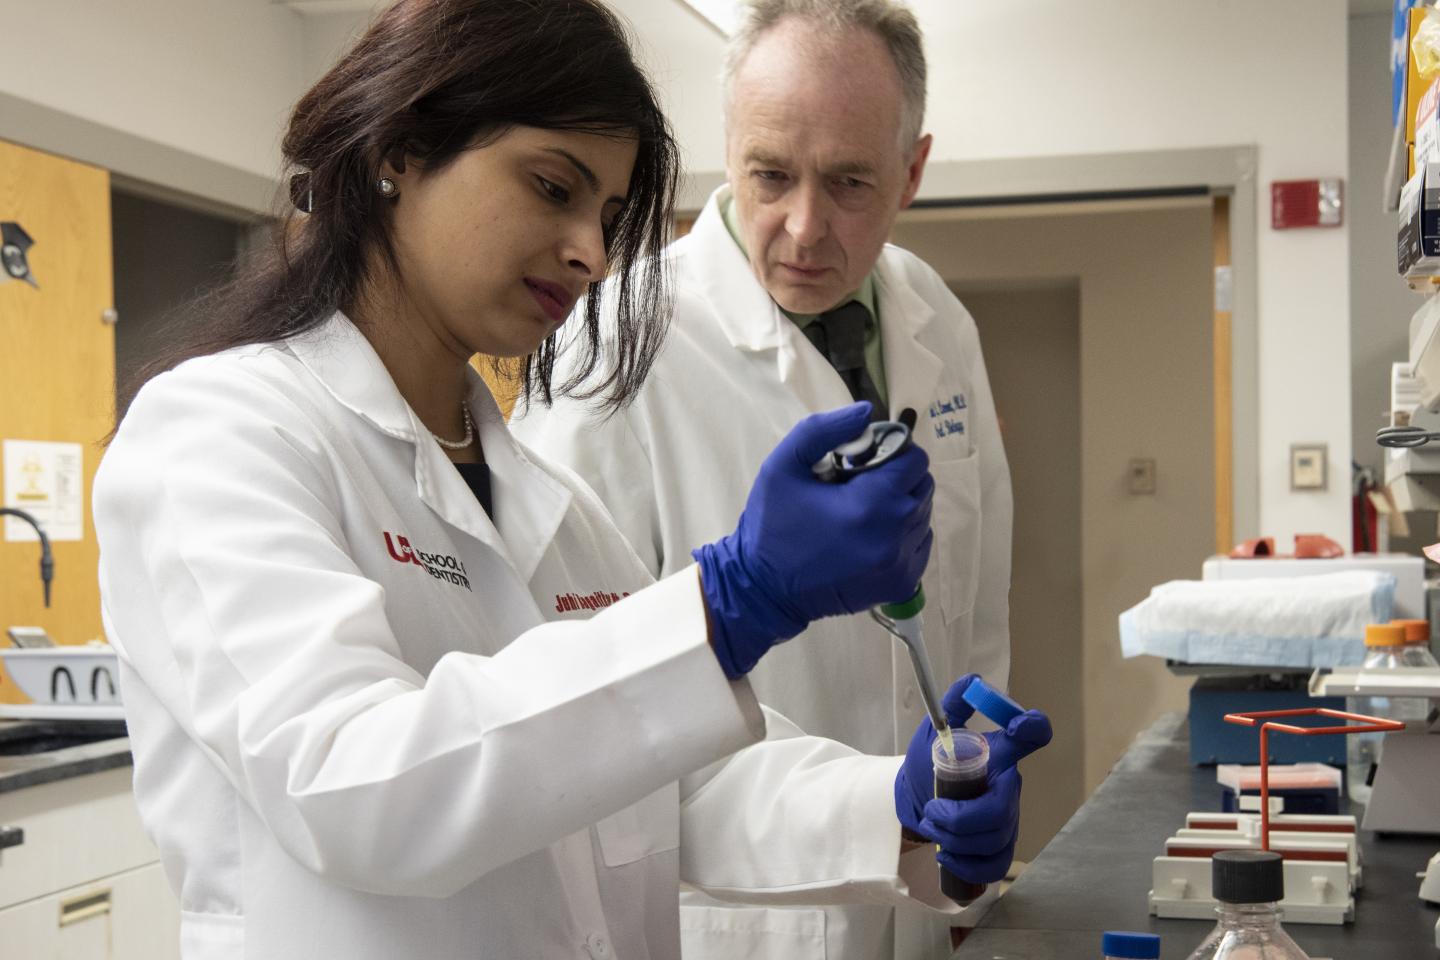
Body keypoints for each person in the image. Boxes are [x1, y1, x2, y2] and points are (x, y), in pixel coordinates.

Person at [92, 2, 1049, 959]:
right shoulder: (217, 435)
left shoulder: (545, 501)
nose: (593, 252)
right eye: (554, 188)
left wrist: (892, 805)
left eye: (608, 215)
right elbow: (351, 785)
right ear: (402, 149)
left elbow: (668, 776)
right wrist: (728, 603)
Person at [510, 0, 1014, 956]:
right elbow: (572, 700)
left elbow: (976, 608)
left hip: (927, 909)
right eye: (769, 176)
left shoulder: (936, 320)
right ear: (729, 150)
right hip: (739, 921)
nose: (803, 227)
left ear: (913, 170)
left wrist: (972, 787)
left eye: (852, 181)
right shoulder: (613, 344)